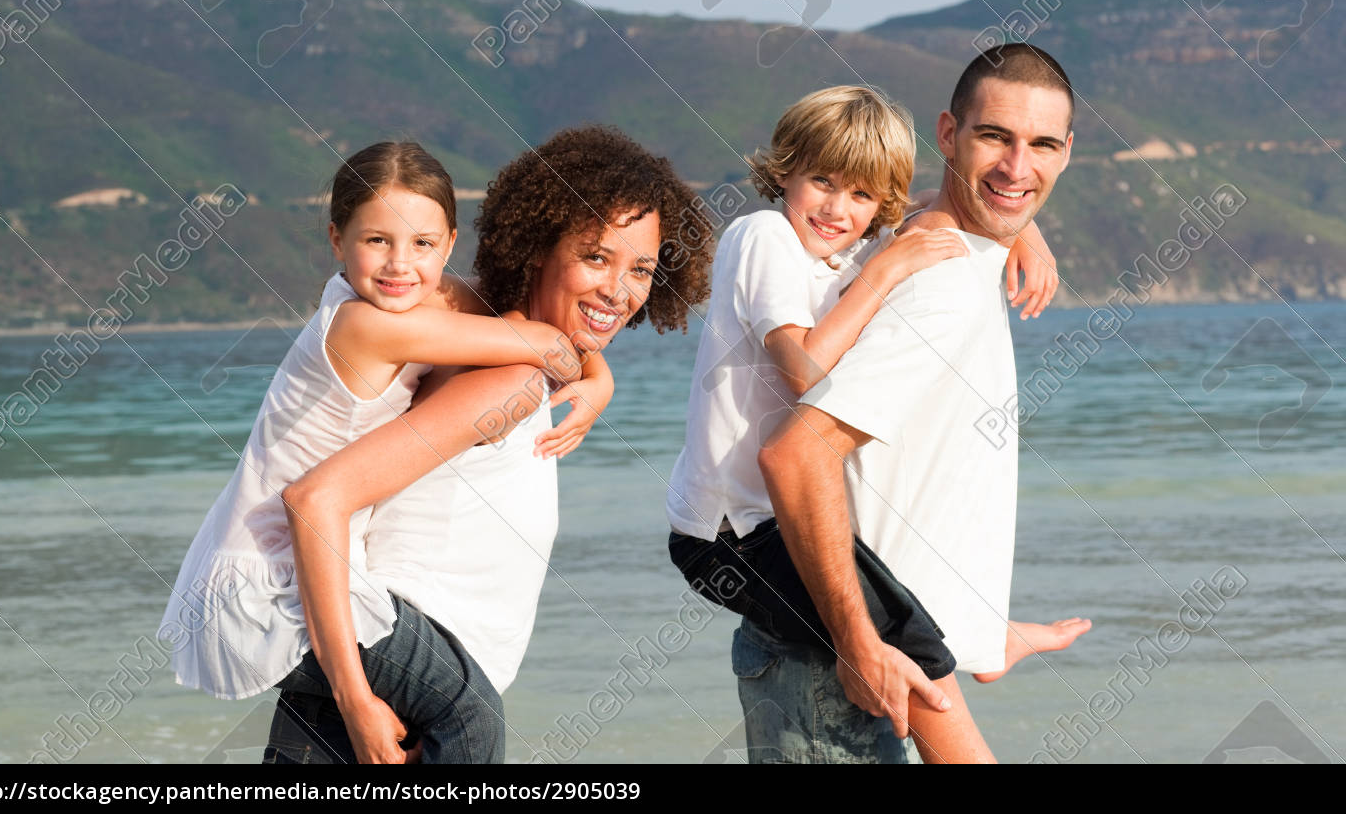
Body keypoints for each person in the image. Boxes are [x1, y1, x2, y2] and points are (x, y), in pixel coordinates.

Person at [265, 125, 714, 763]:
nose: (618, 289)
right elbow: (319, 497)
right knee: (475, 722)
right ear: (538, 249)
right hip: (398, 660)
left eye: (640, 268)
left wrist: (596, 374)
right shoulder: (507, 376)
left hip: (377, 649)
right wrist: (355, 692)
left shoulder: (500, 347)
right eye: (595, 257)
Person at [665, 82, 1078, 763]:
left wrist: (1022, 227)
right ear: (784, 170)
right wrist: (885, 269)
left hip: (763, 521)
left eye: (860, 196)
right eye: (822, 181)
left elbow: (948, 203)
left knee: (903, 610)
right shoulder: (764, 236)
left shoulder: (839, 252)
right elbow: (803, 370)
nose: (837, 208)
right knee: (898, 635)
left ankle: (982, 634)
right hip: (725, 538)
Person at [158, 140, 598, 760]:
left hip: (282, 577)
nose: (400, 265)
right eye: (376, 241)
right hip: (269, 590)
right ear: (337, 240)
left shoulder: (419, 302)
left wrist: (589, 372)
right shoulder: (365, 324)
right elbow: (545, 344)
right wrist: (357, 700)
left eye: (422, 244)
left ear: (448, 244)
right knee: (466, 713)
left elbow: (532, 332)